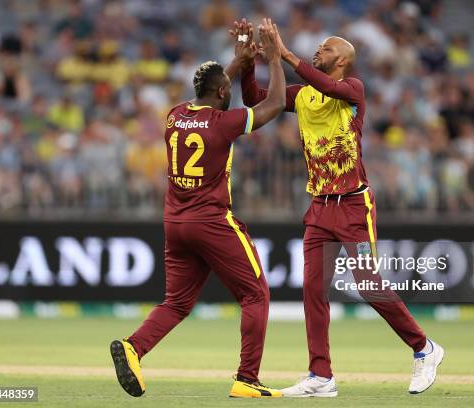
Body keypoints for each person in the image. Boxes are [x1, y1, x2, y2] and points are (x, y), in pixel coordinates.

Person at [234, 19, 444, 396]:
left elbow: (326, 85)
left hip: (352, 206)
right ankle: (321, 376)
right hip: (319, 207)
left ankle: (423, 348)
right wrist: (252, 61)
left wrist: (284, 54)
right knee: (313, 289)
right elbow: (255, 100)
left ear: (344, 60)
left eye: (328, 48)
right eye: (319, 47)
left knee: (368, 284)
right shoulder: (304, 95)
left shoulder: (352, 89)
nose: (320, 50)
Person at [109, 19, 286, 399]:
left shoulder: (174, 115)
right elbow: (276, 103)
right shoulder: (224, 123)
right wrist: (273, 58)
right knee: (256, 295)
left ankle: (133, 347)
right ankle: (247, 378)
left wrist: (238, 62)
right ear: (223, 91)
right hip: (211, 221)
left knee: (176, 303)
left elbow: (214, 88)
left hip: (175, 222)